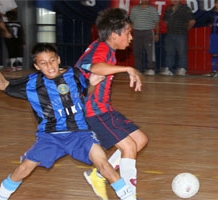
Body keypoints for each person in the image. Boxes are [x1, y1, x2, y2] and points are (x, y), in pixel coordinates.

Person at [0, 43, 133, 200]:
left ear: (58, 59)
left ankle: (128, 197)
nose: (50, 66)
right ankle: (1, 196)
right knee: (24, 168)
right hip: (50, 136)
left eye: (52, 60)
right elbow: (2, 85)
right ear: (36, 66)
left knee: (104, 165)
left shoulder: (75, 74)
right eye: (43, 63)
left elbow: (85, 92)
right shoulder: (32, 83)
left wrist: (92, 85)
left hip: (80, 133)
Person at [74, 8, 148, 200]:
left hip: (104, 108)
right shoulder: (102, 49)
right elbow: (96, 68)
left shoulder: (104, 47)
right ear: (115, 35)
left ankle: (97, 175)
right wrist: (128, 68)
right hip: (94, 111)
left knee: (140, 140)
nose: (131, 37)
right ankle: (129, 196)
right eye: (128, 32)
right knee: (129, 147)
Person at [160, 0, 196, 76]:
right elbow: (165, 21)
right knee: (169, 52)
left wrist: (185, 29)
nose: (174, 0)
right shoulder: (168, 9)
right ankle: (169, 69)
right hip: (169, 34)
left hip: (181, 34)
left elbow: (192, 21)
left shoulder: (185, 8)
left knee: (182, 53)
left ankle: (182, 69)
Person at [130, 0, 160, 76]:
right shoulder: (134, 9)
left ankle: (151, 69)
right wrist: (129, 33)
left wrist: (157, 34)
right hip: (136, 32)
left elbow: (157, 22)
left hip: (148, 32)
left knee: (150, 52)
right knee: (137, 52)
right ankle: (138, 69)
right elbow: (132, 22)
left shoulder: (152, 9)